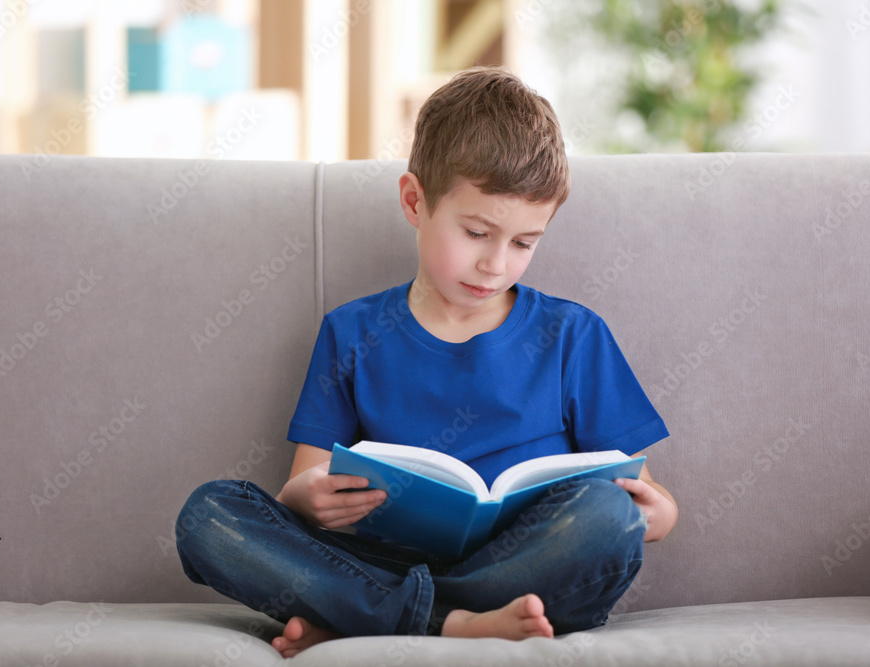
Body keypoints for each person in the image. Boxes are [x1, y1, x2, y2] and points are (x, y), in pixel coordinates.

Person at [175, 65, 678, 659]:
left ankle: (370, 619)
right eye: (475, 232)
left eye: (524, 243)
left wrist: (655, 512)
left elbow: (649, 500)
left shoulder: (574, 335)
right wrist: (306, 498)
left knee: (604, 520)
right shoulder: (351, 332)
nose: (496, 264)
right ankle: (451, 620)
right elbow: (300, 489)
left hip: (529, 566)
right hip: (380, 558)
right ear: (415, 201)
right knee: (209, 515)